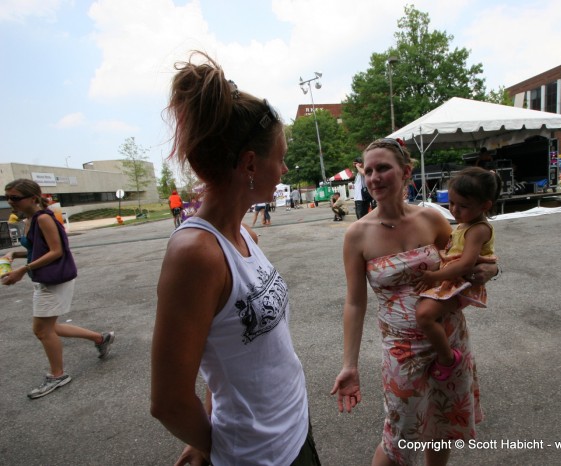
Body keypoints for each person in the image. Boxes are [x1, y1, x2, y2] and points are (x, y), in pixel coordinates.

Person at [150, 51, 319, 466]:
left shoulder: (243, 232)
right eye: (279, 158)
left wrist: (209, 416)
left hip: (293, 426)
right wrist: (211, 442)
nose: (282, 169)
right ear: (249, 164)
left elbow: (223, 348)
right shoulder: (196, 254)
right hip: (260, 455)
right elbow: (168, 401)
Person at [331, 138, 499, 466]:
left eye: (383, 168)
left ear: (406, 172)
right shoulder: (357, 235)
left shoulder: (432, 218)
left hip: (448, 341)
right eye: (368, 171)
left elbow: (465, 259)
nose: (374, 177)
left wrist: (492, 268)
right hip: (402, 350)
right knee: (397, 440)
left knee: (442, 424)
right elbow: (354, 303)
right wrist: (349, 365)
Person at [2, 179, 115, 399]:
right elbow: (38, 249)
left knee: (42, 330)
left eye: (15, 197)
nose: (10, 202)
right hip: (45, 278)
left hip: (53, 280)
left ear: (33, 198)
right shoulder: (30, 219)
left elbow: (56, 251)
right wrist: (14, 255)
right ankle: (100, 339)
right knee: (50, 327)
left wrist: (22, 270)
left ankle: (58, 375)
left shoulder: (44, 218)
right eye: (7, 197)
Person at [414, 167, 500, 381]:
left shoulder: (478, 229)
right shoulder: (466, 223)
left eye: (463, 206)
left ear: (485, 206)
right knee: (425, 312)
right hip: (452, 279)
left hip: (461, 283)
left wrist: (433, 277)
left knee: (424, 314)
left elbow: (464, 265)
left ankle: (447, 358)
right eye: (451, 203)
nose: (454, 210)